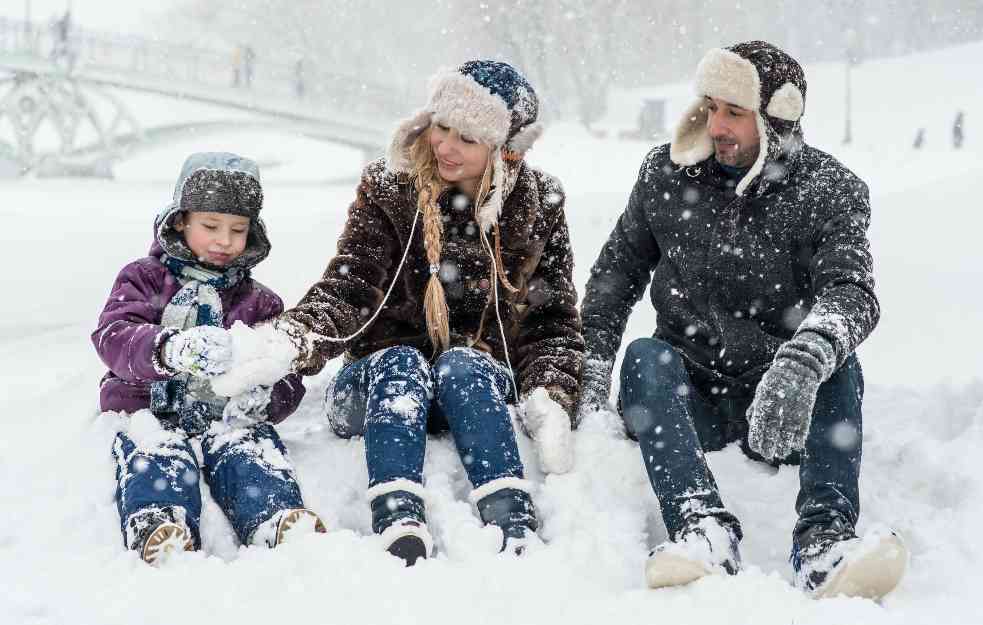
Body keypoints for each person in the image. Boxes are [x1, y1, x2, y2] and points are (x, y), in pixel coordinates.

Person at [578, 41, 906, 599]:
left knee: (838, 361)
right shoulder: (665, 175)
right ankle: (701, 528)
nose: (717, 124)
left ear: (776, 118)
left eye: (734, 111)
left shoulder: (829, 190)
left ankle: (825, 542)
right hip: (690, 397)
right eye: (710, 107)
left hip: (784, 406)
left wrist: (803, 361)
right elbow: (614, 280)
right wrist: (587, 375)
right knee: (643, 357)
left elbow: (853, 291)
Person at [247, 60, 583, 566]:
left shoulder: (537, 203)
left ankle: (511, 515)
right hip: (376, 388)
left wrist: (551, 394)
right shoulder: (390, 187)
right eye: (441, 127)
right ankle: (398, 515)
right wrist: (293, 339)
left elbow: (551, 318)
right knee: (401, 362)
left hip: (471, 392)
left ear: (503, 150)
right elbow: (350, 286)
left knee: (464, 364)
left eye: (467, 139)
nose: (445, 147)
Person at [92, 152, 325, 565]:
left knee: (249, 450)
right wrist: (168, 348)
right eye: (211, 226)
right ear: (181, 220)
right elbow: (114, 335)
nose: (224, 241)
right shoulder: (144, 278)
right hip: (147, 407)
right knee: (157, 451)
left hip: (225, 416)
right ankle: (160, 520)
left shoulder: (260, 302)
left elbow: (284, 370)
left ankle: (274, 515)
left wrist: (266, 399)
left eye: (237, 230)